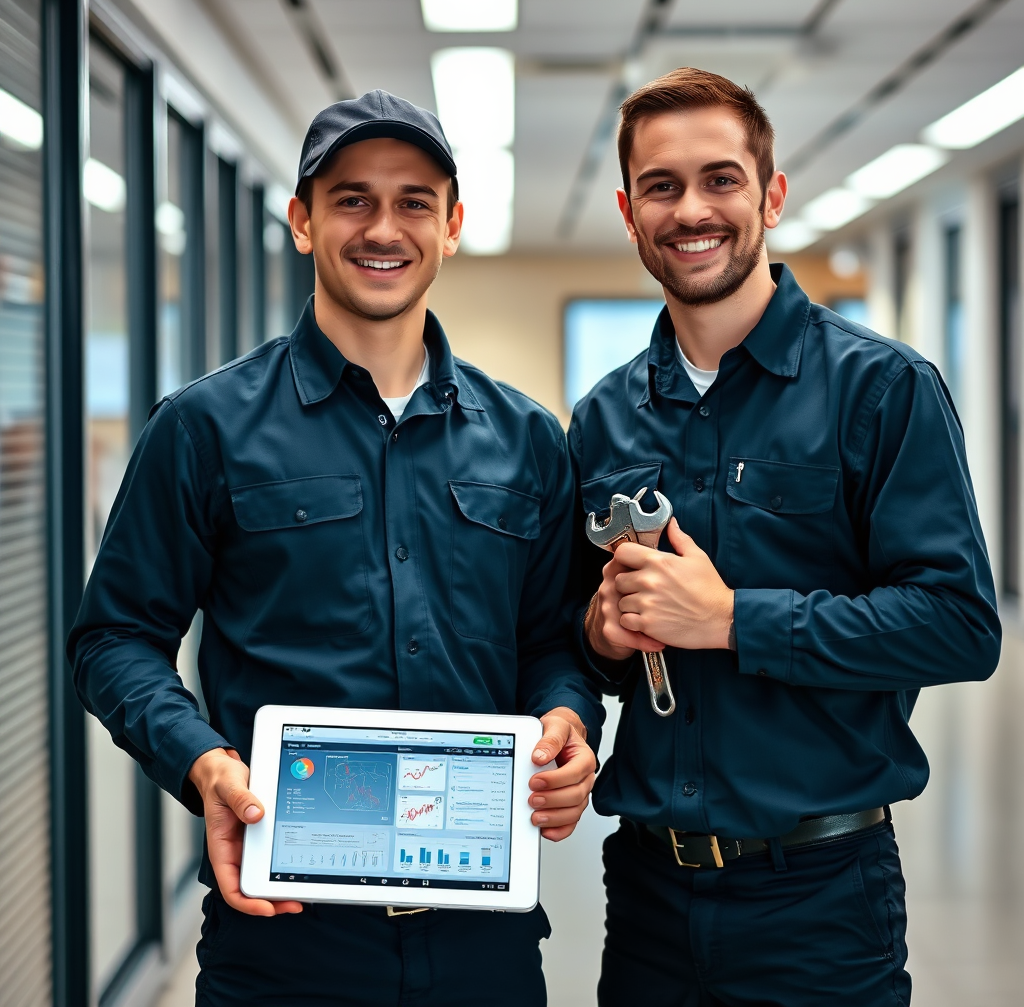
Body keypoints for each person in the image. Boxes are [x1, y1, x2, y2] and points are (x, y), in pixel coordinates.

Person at [69, 90, 603, 1007]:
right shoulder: (204, 429)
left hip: (483, 940)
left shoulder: (527, 439)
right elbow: (113, 639)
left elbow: (552, 641)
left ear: (452, 224)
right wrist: (203, 762)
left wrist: (568, 725)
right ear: (303, 221)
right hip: (282, 940)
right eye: (352, 198)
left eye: (414, 201)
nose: (382, 227)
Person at [570, 67, 1000, 1006]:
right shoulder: (602, 420)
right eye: (662, 186)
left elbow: (960, 625)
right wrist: (601, 635)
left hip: (818, 901)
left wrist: (733, 620)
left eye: (721, 179)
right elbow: (580, 638)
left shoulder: (882, 391)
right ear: (628, 209)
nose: (693, 209)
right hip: (646, 897)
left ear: (769, 195)